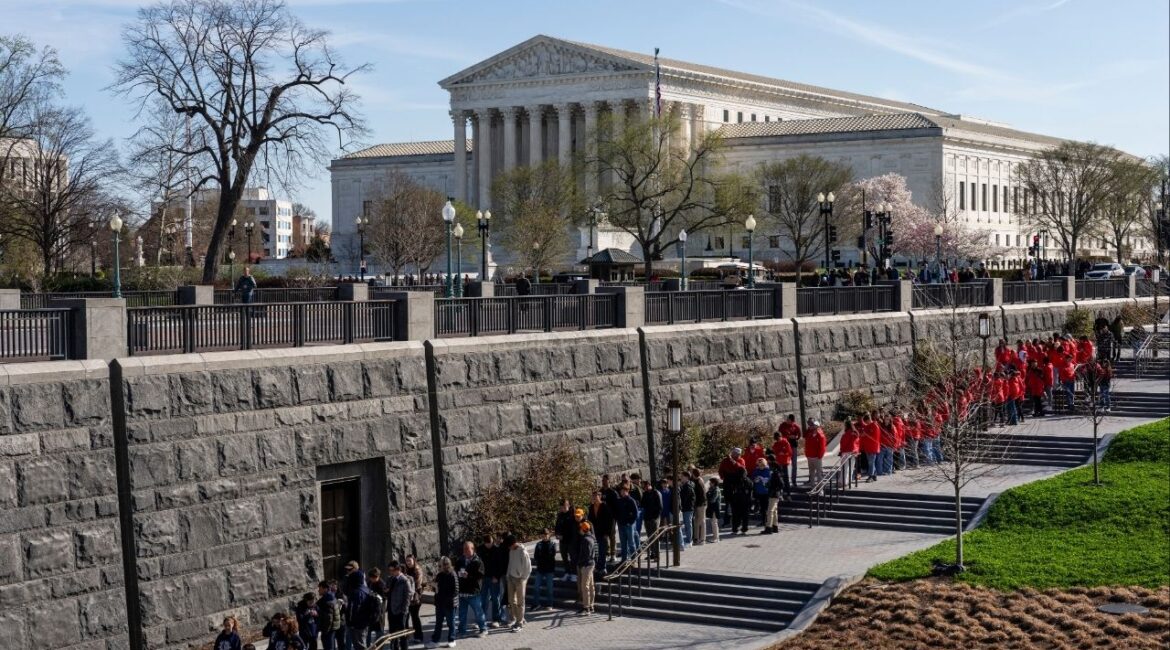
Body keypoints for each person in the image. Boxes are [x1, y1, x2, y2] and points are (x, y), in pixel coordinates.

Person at [454, 541, 487, 638]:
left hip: (473, 592)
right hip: (462, 592)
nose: (465, 551)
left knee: (478, 612)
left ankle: (483, 629)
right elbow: (455, 571)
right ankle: (462, 631)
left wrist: (469, 576)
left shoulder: (478, 561)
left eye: (467, 549)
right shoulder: (460, 560)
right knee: (462, 614)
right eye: (464, 549)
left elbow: (481, 575)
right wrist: (459, 574)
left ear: (472, 549)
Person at [343, 561, 376, 650]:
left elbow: (354, 608)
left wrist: (350, 622)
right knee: (360, 643)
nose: (348, 572)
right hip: (363, 621)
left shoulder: (357, 592)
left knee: (359, 645)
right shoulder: (364, 588)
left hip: (358, 623)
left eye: (350, 570)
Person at [503, 534, 532, 631]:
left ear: (513, 544)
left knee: (520, 601)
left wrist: (523, 579)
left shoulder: (523, 552)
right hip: (511, 577)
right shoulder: (511, 550)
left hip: (520, 579)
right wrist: (508, 575)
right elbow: (510, 563)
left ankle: (519, 623)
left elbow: (528, 568)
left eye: (509, 545)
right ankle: (516, 618)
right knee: (511, 600)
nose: (508, 547)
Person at [480, 534, 508, 628]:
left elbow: (500, 565)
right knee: (483, 599)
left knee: (496, 599)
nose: (490, 545)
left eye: (491, 543)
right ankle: (481, 618)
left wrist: (497, 576)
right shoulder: (480, 549)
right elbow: (479, 563)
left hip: (494, 578)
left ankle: (496, 619)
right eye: (488, 544)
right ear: (484, 543)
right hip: (484, 578)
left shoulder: (497, 550)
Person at [385, 561, 414, 650]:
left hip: (400, 611)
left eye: (392, 570)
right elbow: (388, 592)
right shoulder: (390, 579)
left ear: (398, 570)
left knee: (402, 634)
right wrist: (386, 592)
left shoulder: (405, 580)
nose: (390, 572)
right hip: (391, 609)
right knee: (393, 634)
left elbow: (408, 597)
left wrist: (403, 611)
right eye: (389, 570)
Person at [431, 556, 459, 648]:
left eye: (440, 565)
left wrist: (445, 597)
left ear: (446, 565)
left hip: (449, 603)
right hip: (439, 603)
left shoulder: (452, 574)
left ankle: (452, 639)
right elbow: (436, 589)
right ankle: (435, 640)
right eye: (439, 565)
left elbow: (455, 590)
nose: (439, 567)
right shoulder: (439, 575)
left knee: (451, 622)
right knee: (438, 623)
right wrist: (434, 586)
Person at [532, 528, 558, 611]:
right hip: (540, 569)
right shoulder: (539, 544)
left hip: (549, 569)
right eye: (543, 535)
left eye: (546, 535)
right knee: (536, 587)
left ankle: (550, 604)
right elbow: (536, 556)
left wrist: (542, 557)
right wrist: (541, 559)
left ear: (549, 535)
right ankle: (536, 604)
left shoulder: (553, 544)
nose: (545, 536)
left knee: (549, 588)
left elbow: (552, 555)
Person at [587, 491, 613, 571]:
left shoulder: (605, 506)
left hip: (603, 532)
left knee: (602, 551)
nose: (594, 498)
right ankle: (597, 567)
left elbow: (610, 521)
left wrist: (607, 533)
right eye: (593, 496)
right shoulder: (591, 507)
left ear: (600, 496)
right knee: (595, 551)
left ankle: (603, 567)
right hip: (594, 533)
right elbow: (590, 520)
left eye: (596, 496)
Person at [576, 521, 598, 615]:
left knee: (585, 586)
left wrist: (581, 564)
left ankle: (586, 608)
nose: (579, 530)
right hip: (591, 563)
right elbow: (596, 552)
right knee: (591, 586)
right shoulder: (593, 537)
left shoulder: (585, 540)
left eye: (580, 528)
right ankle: (591, 606)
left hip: (586, 565)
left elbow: (586, 555)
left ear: (583, 529)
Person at [554, 499, 578, 581]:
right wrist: (557, 534)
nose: (562, 508)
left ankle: (574, 574)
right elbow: (557, 526)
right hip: (562, 541)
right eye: (561, 507)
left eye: (564, 506)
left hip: (571, 540)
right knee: (564, 557)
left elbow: (573, 529)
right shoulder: (560, 515)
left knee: (573, 558)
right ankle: (567, 573)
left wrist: (564, 536)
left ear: (568, 505)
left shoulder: (572, 515)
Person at [403, 555, 425, 644]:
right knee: (406, 617)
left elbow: (417, 584)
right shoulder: (405, 569)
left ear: (414, 560)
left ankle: (419, 636)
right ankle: (405, 637)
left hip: (415, 598)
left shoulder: (417, 570)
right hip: (407, 597)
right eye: (407, 561)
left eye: (410, 560)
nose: (408, 562)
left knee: (415, 617)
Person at [615, 484, 639, 561]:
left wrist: (630, 522)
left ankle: (633, 558)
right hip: (621, 524)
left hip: (629, 525)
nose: (622, 492)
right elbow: (617, 512)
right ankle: (624, 559)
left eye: (624, 491)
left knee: (631, 543)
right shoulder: (619, 501)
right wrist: (618, 520)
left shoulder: (631, 500)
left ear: (627, 491)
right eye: (621, 491)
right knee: (623, 543)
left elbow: (636, 514)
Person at [316, 581, 343, 650]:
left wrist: (325, 631)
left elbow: (329, 618)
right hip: (333, 628)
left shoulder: (326, 601)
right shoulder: (332, 596)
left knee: (329, 647)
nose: (318, 590)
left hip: (328, 630)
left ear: (325, 589)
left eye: (320, 588)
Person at [640, 479, 662, 559]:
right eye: (643, 487)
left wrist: (655, 517)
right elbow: (642, 504)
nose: (644, 488)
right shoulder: (645, 494)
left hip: (654, 518)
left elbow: (660, 507)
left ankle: (657, 554)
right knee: (650, 536)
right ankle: (652, 553)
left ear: (649, 485)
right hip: (647, 518)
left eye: (645, 486)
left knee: (655, 536)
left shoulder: (656, 493)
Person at [728, 467, 753, 535]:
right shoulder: (748, 480)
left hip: (736, 500)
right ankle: (744, 529)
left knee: (736, 515)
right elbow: (751, 490)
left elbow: (731, 489)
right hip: (745, 500)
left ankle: (735, 529)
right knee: (745, 516)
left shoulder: (734, 480)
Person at [778, 414, 802, 485]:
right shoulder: (782, 426)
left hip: (793, 446)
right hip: (785, 447)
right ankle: (785, 481)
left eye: (790, 421)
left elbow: (799, 435)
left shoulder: (796, 426)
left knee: (794, 464)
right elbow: (779, 435)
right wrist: (788, 437)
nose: (788, 421)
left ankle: (794, 480)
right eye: (788, 420)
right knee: (784, 464)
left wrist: (796, 437)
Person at [763, 459, 784, 534]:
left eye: (770, 466)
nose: (769, 467)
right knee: (774, 511)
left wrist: (774, 488)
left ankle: (769, 527)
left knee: (770, 511)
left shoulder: (776, 474)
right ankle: (775, 526)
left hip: (774, 494)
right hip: (774, 493)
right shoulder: (775, 473)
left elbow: (781, 484)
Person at [804, 420, 827, 485]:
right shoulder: (810, 434)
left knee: (819, 473)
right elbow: (806, 444)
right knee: (811, 473)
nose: (812, 427)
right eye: (812, 425)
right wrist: (807, 454)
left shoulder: (821, 435)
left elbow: (822, 447)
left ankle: (820, 489)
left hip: (817, 457)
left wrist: (819, 456)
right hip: (810, 456)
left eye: (814, 425)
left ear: (817, 427)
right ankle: (813, 487)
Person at [859, 414, 882, 482]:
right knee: (871, 462)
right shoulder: (868, 426)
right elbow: (863, 434)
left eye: (866, 422)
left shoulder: (875, 426)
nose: (866, 423)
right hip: (868, 447)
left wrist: (866, 434)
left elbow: (875, 438)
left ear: (869, 420)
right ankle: (874, 475)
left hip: (873, 447)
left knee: (871, 462)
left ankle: (871, 476)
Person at [770, 432, 792, 499]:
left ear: (781, 436)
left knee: (786, 479)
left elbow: (790, 452)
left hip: (784, 463)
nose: (778, 440)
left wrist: (784, 453)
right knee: (779, 479)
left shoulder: (786, 443)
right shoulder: (775, 444)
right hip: (778, 463)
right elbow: (773, 452)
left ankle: (788, 494)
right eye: (777, 439)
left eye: (779, 438)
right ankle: (781, 494)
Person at [751, 458, 771, 527]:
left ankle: (768, 521)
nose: (760, 466)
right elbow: (753, 477)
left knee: (767, 508)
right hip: (759, 491)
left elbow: (770, 479)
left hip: (766, 492)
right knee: (762, 508)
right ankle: (763, 521)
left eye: (762, 465)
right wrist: (755, 479)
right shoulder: (756, 470)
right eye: (759, 465)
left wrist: (764, 479)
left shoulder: (768, 470)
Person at [678, 474, 696, 548]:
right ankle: (688, 539)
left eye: (682, 477)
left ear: (686, 478)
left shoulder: (688, 486)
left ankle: (689, 541)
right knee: (687, 524)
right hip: (687, 508)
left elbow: (685, 498)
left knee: (688, 524)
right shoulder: (685, 485)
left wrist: (681, 506)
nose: (681, 478)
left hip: (688, 508)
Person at [690, 469, 707, 546]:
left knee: (702, 521)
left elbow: (703, 495)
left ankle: (702, 539)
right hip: (698, 504)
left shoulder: (699, 482)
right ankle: (696, 538)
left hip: (701, 504)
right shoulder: (696, 480)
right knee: (696, 521)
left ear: (694, 474)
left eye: (691, 473)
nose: (690, 474)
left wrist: (700, 504)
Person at [706, 478, 722, 543]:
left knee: (714, 523)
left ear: (714, 483)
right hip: (712, 508)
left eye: (711, 482)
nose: (709, 483)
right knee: (713, 522)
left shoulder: (716, 490)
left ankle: (716, 538)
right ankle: (715, 537)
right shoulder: (711, 489)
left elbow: (713, 500)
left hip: (715, 508)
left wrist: (708, 497)